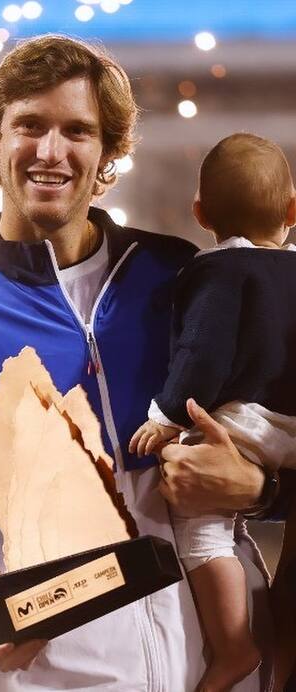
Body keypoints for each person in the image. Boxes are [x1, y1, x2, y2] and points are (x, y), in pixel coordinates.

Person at [0, 34, 274, 691]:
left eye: (78, 131)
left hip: (229, 678)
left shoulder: (183, 282)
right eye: (29, 125)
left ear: (110, 154)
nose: (50, 152)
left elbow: (278, 430)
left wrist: (261, 491)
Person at [129, 133, 296, 690]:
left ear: (200, 213)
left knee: (201, 527)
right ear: (293, 211)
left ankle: (232, 647)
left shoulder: (216, 271)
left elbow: (203, 351)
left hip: (246, 423)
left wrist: (166, 414)